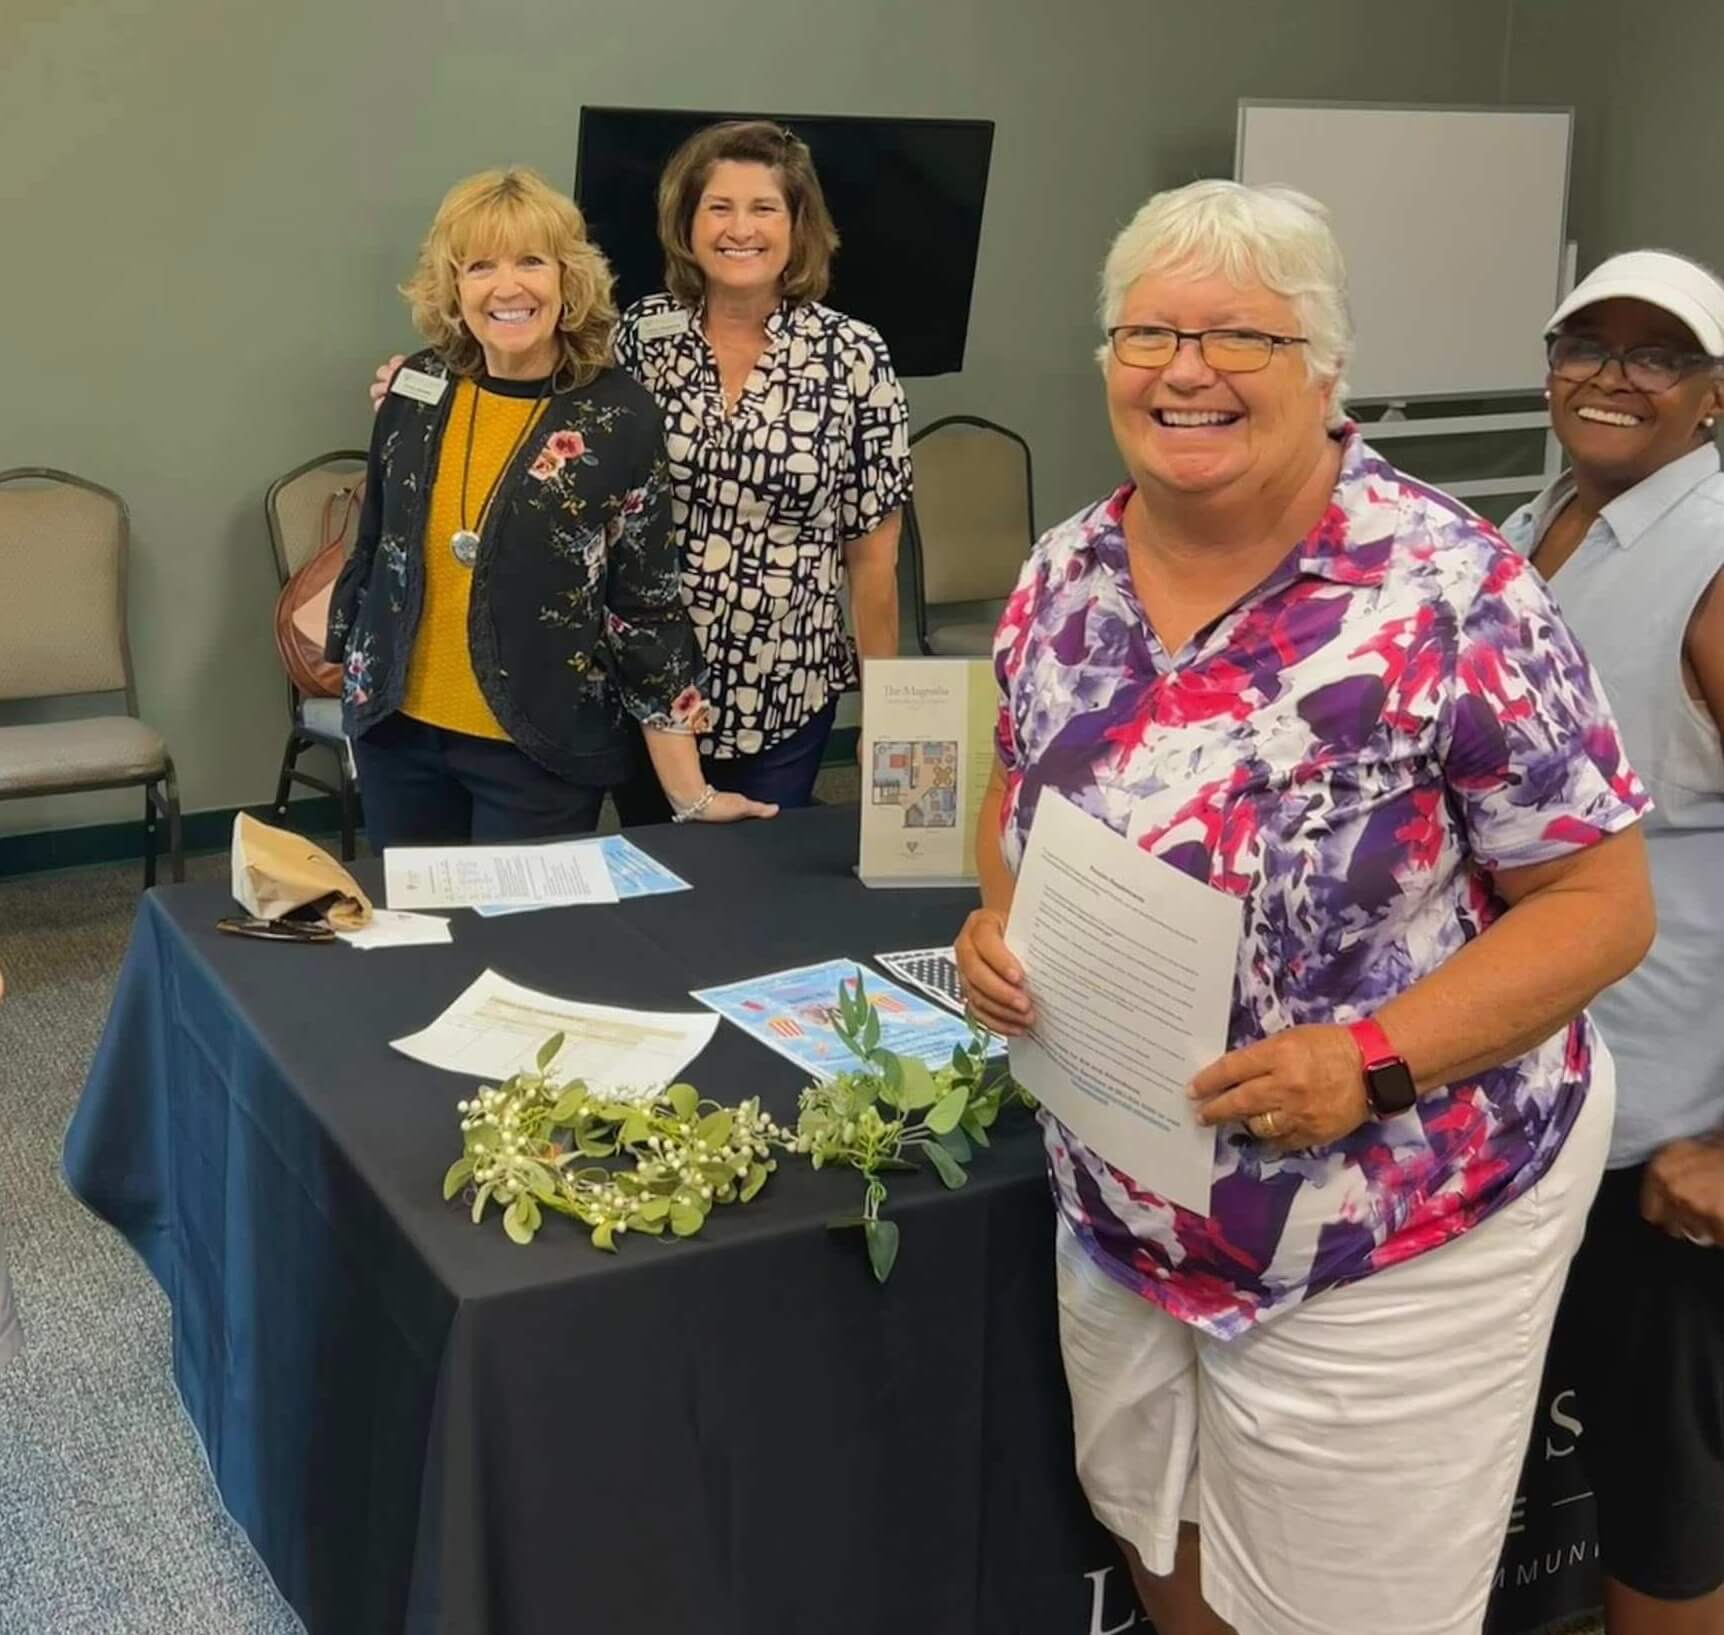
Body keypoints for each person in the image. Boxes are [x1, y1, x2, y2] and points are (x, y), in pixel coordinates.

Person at [953, 180, 1656, 1635]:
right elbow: (1017, 792)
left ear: (1325, 368)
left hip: (1386, 1217)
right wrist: (994, 920)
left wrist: (1374, 1055)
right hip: (1128, 1192)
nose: (1186, 369)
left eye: (1239, 338)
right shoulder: (1063, 573)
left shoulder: (1453, 590)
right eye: (1148, 330)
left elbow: (1598, 902)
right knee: (1162, 1543)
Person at [372, 123, 912, 815]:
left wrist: (889, 713)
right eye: (718, 207)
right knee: (651, 893)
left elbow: (874, 563)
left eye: (764, 208)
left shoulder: (856, 358)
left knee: (755, 895)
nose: (739, 228)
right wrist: (415, 384)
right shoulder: (635, 340)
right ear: (686, 224)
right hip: (634, 686)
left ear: (798, 225)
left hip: (780, 691)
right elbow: (514, 369)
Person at [1500, 249, 1724, 1635]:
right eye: (1590, 344)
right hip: (1543, 1094)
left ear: (1713, 394)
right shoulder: (1545, 519)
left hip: (1670, 1141)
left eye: (1658, 356)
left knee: (1664, 1510)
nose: (1615, 376)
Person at [330, 168, 774, 847]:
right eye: (479, 266)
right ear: (454, 288)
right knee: (413, 944)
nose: (507, 287)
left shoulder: (618, 416)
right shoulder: (414, 388)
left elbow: (645, 610)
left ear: (568, 280)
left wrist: (689, 793)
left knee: (522, 949)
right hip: (400, 742)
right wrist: (358, 693)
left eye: (531, 261)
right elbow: (376, 551)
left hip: (540, 755)